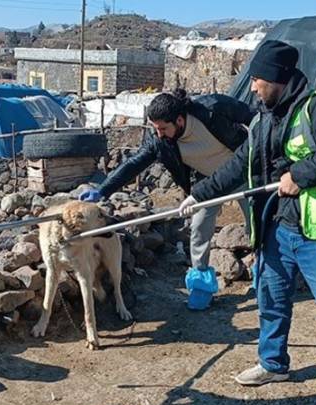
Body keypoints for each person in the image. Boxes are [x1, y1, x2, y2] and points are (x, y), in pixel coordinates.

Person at [179, 40, 316, 405]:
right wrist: (198, 194)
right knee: (271, 301)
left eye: (259, 79)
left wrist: (298, 175)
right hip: (276, 227)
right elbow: (239, 166)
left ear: (279, 78)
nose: (252, 87)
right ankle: (272, 363)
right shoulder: (263, 117)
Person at [80, 89, 253, 310]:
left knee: (256, 225)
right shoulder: (161, 142)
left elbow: (256, 118)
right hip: (206, 184)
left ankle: (264, 277)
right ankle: (201, 287)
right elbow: (134, 164)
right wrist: (103, 190)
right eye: (155, 129)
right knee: (199, 230)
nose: (159, 134)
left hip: (242, 173)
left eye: (163, 128)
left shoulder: (212, 108)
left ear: (179, 120)